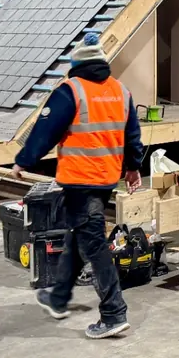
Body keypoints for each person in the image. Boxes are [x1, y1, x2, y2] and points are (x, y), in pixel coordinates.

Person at [12, 33, 144, 339]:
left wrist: (24, 160)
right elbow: (132, 135)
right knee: (78, 234)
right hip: (106, 178)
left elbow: (45, 130)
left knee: (93, 244)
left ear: (77, 64)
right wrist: (133, 168)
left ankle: (114, 313)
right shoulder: (120, 91)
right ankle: (58, 298)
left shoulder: (71, 91)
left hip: (80, 180)